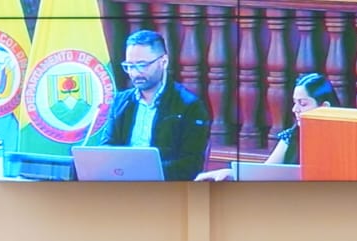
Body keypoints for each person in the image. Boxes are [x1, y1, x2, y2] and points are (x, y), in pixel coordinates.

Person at [103, 30, 212, 182]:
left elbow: (190, 165)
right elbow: (107, 148)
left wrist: (140, 172)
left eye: (142, 65)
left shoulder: (189, 106)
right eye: (129, 66)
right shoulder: (121, 102)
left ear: (164, 62)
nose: (135, 73)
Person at [195, 73, 340, 181]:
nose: (295, 109)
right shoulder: (291, 137)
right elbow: (264, 172)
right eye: (295, 103)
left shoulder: (344, 138)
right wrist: (229, 173)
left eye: (303, 104)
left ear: (324, 106)